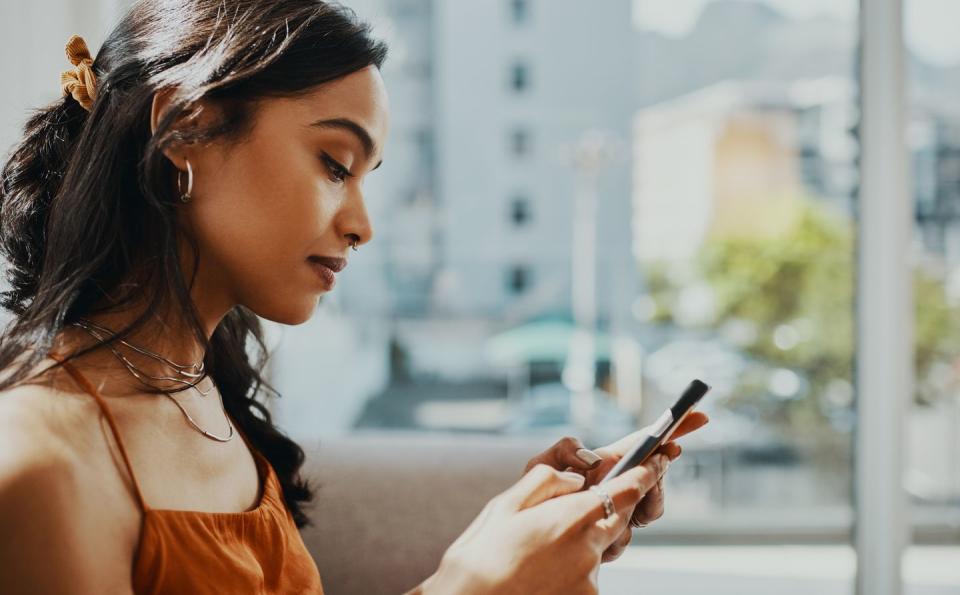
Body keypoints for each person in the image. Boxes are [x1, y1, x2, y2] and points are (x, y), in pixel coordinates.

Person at [0, 1, 708, 594]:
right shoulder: (41, 464)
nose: (362, 225)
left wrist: (502, 546)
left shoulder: (201, 392)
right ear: (184, 129)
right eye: (335, 163)